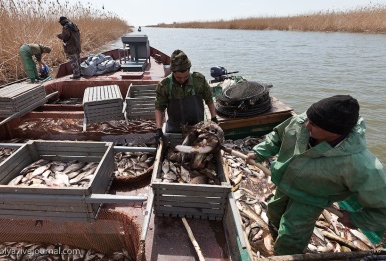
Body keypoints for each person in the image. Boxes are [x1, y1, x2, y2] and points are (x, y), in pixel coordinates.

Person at [245, 95, 386, 255]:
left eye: (314, 124)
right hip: (284, 183)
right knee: (274, 211)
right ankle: (275, 228)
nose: (306, 125)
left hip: (311, 199)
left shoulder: (361, 165)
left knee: (293, 233)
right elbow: (278, 137)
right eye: (309, 119)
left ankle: (285, 255)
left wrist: (356, 219)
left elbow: (382, 208)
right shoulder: (305, 121)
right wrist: (259, 152)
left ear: (335, 132)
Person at [154, 49, 218, 142]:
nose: (183, 80)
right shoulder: (164, 85)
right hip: (174, 130)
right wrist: (159, 128)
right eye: (178, 77)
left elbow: (209, 99)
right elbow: (159, 107)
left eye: (186, 76)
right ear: (172, 72)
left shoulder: (199, 80)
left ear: (189, 70)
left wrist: (214, 118)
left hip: (198, 129)